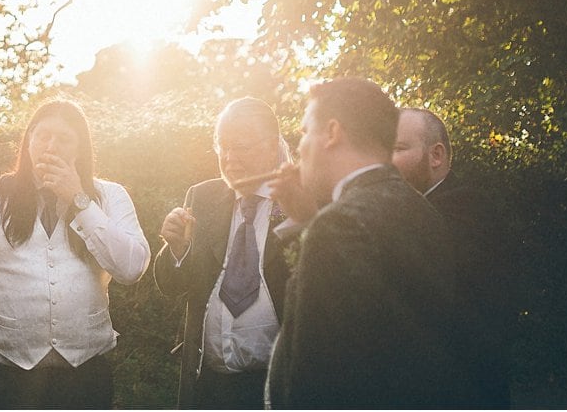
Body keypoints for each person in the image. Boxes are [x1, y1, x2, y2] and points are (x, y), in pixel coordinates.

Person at [264, 78, 461, 409]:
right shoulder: (424, 212)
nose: (299, 150)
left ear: (332, 132)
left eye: (304, 132)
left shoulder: (339, 226)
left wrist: (315, 227)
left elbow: (318, 381)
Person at [0, 99, 150, 409]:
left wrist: (79, 200)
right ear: (28, 142)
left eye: (64, 138)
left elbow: (131, 268)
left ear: (80, 148)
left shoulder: (111, 196)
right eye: (42, 136)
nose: (50, 146)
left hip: (86, 380)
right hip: (4, 379)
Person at [154, 98, 292, 408]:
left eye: (241, 147)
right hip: (209, 384)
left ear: (272, 147)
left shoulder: (300, 199)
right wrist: (177, 249)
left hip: (277, 386)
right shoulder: (202, 197)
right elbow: (173, 286)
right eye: (222, 146)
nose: (229, 158)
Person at [394, 107, 512, 408]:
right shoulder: (422, 210)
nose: (385, 162)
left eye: (398, 148)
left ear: (436, 155)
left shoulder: (463, 211)